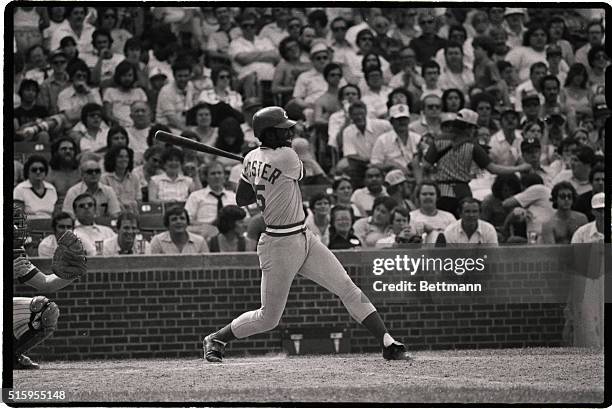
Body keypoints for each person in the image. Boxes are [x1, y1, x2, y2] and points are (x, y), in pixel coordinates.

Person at [203, 106, 412, 363]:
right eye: (283, 129)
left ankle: (387, 342)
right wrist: (254, 167)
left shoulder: (254, 158)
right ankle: (217, 338)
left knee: (346, 287)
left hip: (303, 236)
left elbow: (243, 196)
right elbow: (284, 181)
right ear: (267, 133)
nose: (290, 132)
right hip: (278, 244)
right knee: (269, 318)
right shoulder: (288, 157)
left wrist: (251, 168)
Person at [423, 108, 531, 217]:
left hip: (441, 192)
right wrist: (520, 168)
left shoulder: (438, 141)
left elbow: (426, 165)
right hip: (462, 192)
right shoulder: (472, 146)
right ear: (469, 128)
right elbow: (494, 169)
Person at [565, 192, 604, 348]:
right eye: (600, 210)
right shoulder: (582, 233)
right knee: (587, 334)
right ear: (593, 212)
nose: (604, 213)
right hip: (588, 285)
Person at [185, 161, 236, 238]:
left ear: (224, 176)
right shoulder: (196, 196)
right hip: (204, 232)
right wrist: (208, 225)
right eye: (213, 173)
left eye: (219, 173)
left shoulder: (234, 196)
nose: (217, 176)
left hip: (231, 233)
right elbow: (187, 220)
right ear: (206, 177)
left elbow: (246, 218)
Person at [502, 173, 554, 241]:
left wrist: (505, 226)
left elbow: (506, 203)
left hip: (541, 237)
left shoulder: (537, 189)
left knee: (512, 241)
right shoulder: (537, 201)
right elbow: (518, 216)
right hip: (537, 237)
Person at [371, 104, 421, 174]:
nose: (402, 122)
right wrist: (392, 166)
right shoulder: (382, 140)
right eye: (398, 119)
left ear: (409, 120)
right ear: (391, 121)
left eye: (404, 119)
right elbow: (375, 164)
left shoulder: (418, 138)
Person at [102, 60, 148, 128]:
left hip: (138, 128)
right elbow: (108, 115)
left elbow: (146, 112)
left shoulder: (139, 92)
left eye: (130, 75)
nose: (127, 78)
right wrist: (120, 123)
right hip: (119, 128)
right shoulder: (109, 92)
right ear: (118, 76)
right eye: (124, 75)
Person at [155, 60, 198, 131]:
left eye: (186, 76)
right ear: (174, 76)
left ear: (190, 75)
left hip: (185, 126)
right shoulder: (166, 91)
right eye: (180, 76)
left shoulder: (191, 86)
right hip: (167, 128)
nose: (183, 79)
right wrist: (187, 131)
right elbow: (171, 118)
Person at [13, 155, 58, 219]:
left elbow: (55, 215)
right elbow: (18, 218)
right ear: (27, 171)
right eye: (34, 170)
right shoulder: (19, 189)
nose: (38, 172)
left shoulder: (51, 189)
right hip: (29, 226)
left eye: (41, 169)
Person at [100, 146, 141, 214]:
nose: (124, 159)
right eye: (120, 157)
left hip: (132, 213)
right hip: (113, 214)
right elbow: (105, 202)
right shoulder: (104, 178)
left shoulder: (135, 177)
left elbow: (139, 199)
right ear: (113, 159)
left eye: (126, 157)